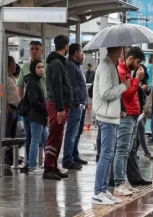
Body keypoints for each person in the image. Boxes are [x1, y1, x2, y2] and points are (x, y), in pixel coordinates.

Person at [92, 46, 130, 205]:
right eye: (121, 49)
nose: (123, 53)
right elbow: (106, 93)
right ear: (118, 50)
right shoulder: (107, 67)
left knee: (109, 154)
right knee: (106, 155)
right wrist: (123, 86)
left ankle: (103, 189)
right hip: (106, 116)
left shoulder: (110, 65)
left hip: (111, 116)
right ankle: (98, 192)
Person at [113, 47, 145, 196]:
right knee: (121, 150)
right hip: (126, 116)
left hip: (132, 115)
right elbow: (127, 94)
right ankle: (119, 183)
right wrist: (137, 79)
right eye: (137, 62)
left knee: (127, 151)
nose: (138, 66)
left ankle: (124, 181)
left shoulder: (128, 73)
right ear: (131, 58)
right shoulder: (121, 72)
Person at [43, 35, 73, 181]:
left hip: (59, 104)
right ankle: (48, 168)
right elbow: (56, 87)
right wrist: (60, 108)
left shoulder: (59, 62)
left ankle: (53, 166)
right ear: (66, 46)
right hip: (56, 105)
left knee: (58, 137)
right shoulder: (56, 63)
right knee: (54, 136)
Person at [17, 41, 47, 170]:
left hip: (43, 107)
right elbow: (20, 86)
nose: (33, 51)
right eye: (31, 49)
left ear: (42, 51)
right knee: (34, 138)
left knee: (42, 136)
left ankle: (33, 163)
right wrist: (23, 103)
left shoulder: (47, 66)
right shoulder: (25, 68)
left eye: (36, 49)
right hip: (31, 110)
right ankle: (32, 163)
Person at [62, 43, 88, 170]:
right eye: (81, 52)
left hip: (81, 104)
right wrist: (77, 102)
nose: (83, 55)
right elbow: (73, 85)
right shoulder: (70, 65)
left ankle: (74, 154)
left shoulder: (77, 66)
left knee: (78, 132)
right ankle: (67, 159)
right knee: (71, 132)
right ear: (76, 53)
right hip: (75, 105)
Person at [24, 60, 49, 174]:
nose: (41, 69)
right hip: (36, 116)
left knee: (46, 139)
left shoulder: (35, 81)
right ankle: (32, 166)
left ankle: (49, 164)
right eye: (38, 67)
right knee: (35, 140)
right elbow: (34, 101)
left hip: (37, 116)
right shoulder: (33, 82)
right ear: (34, 69)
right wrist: (45, 106)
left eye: (43, 67)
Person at [133, 64, 153, 160]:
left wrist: (148, 90)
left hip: (144, 109)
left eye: (143, 73)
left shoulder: (144, 81)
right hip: (137, 109)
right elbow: (133, 92)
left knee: (139, 132)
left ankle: (134, 151)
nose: (142, 75)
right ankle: (146, 152)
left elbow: (147, 94)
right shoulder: (134, 81)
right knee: (141, 130)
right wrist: (141, 89)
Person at [4, 56, 20, 165]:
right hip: (9, 109)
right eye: (13, 63)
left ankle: (11, 156)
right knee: (7, 133)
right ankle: (5, 157)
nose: (15, 65)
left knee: (13, 135)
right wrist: (4, 104)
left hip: (15, 109)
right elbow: (0, 91)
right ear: (9, 64)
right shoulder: (4, 77)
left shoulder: (11, 77)